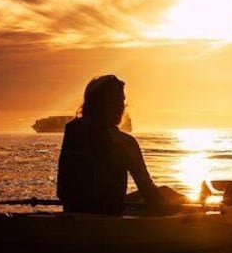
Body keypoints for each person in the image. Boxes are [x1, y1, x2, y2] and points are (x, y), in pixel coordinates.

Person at [57, 75, 177, 215]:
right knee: (169, 195)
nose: (123, 106)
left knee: (163, 191)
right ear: (106, 105)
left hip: (74, 212)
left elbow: (62, 191)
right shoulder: (124, 142)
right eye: (120, 101)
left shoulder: (72, 130)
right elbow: (148, 192)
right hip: (109, 217)